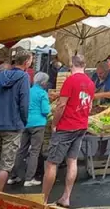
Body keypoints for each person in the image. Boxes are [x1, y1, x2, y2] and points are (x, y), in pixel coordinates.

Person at [42, 54, 95, 208]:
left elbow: (60, 106)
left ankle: (43, 200)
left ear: (72, 64)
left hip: (66, 126)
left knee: (52, 163)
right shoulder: (90, 83)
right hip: (81, 125)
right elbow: (89, 106)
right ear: (84, 65)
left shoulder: (70, 80)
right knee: (72, 161)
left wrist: (54, 123)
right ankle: (66, 197)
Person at [0, 49, 32, 191]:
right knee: (6, 165)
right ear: (27, 61)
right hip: (13, 125)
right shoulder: (23, 77)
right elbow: (24, 103)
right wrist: (23, 121)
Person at [9, 71, 51, 187]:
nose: (47, 84)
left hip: (25, 123)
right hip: (38, 124)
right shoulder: (42, 93)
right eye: (46, 82)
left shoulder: (28, 91)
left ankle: (13, 176)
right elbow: (46, 110)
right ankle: (29, 178)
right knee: (34, 152)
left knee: (21, 150)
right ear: (43, 82)